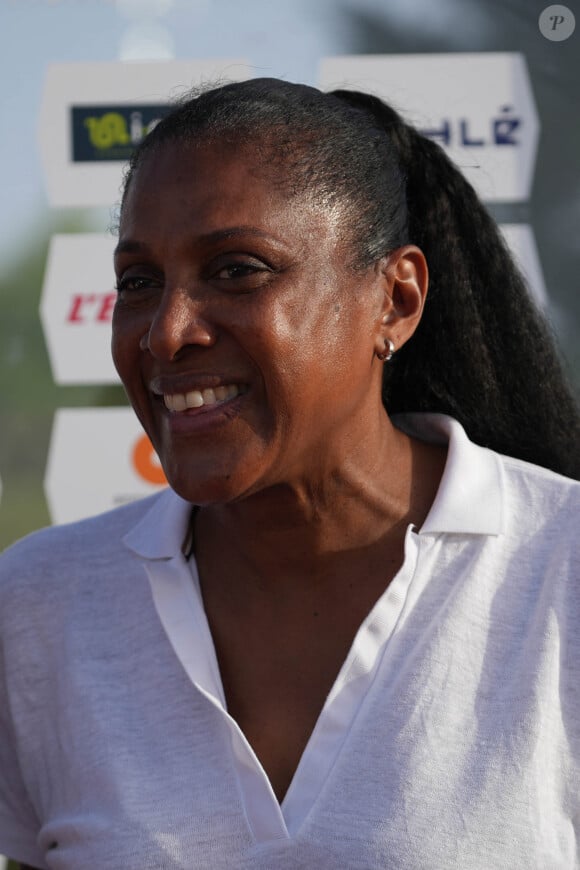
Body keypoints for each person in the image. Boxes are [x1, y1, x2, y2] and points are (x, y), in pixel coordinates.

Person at [1, 77, 579, 870]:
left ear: (396, 300)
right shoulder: (40, 606)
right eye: (139, 283)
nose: (167, 333)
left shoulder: (561, 572)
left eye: (237, 270)